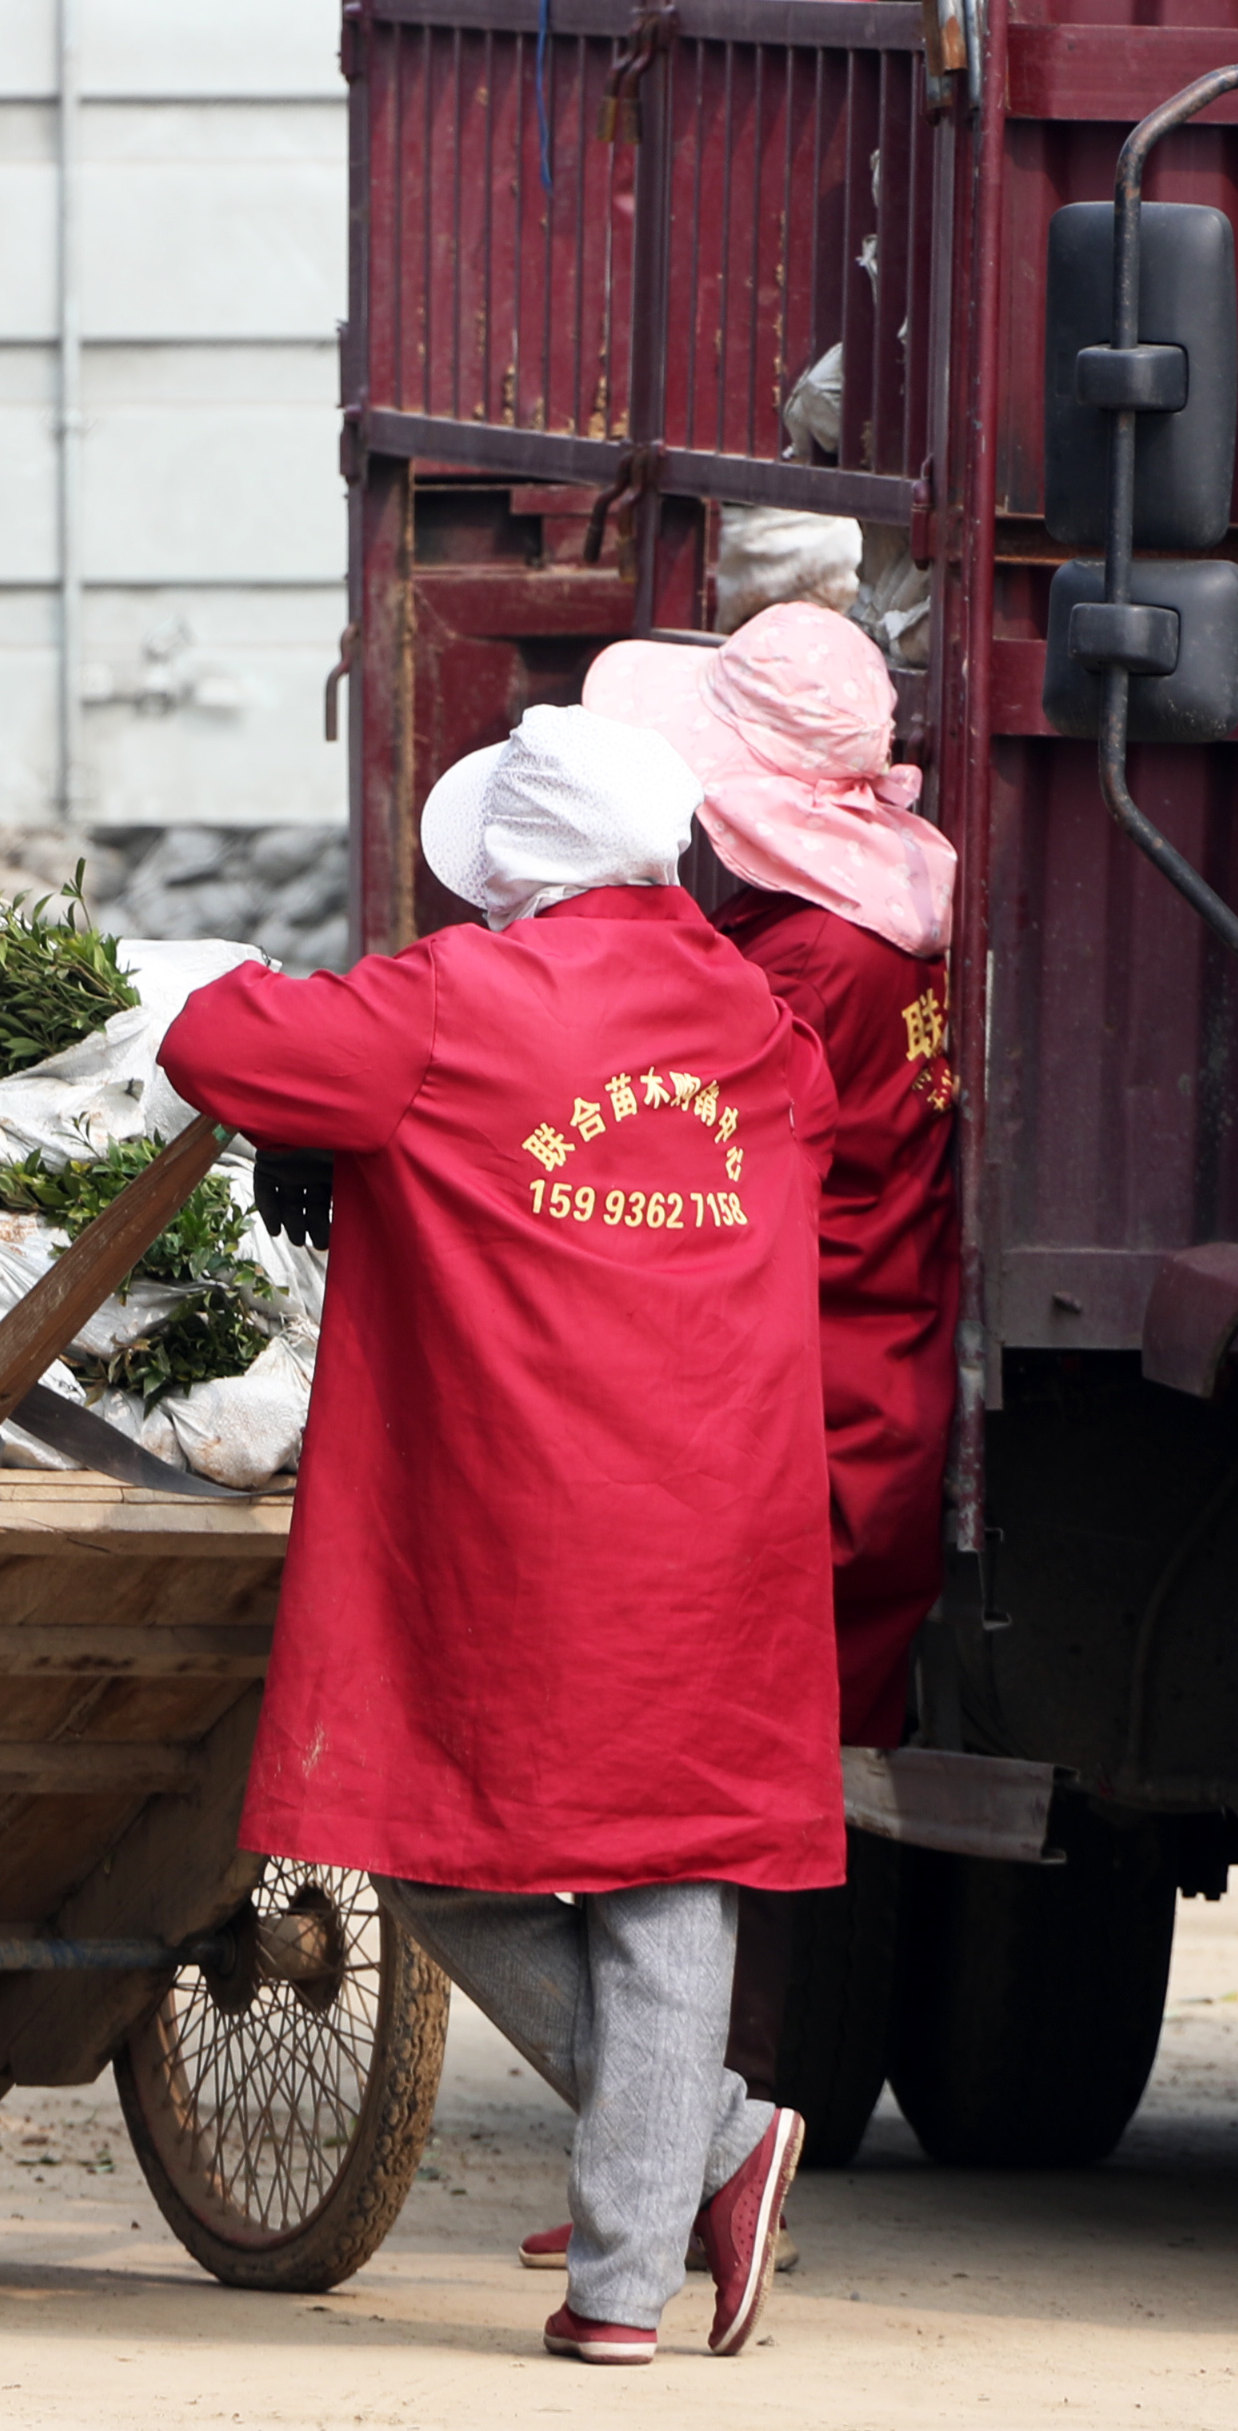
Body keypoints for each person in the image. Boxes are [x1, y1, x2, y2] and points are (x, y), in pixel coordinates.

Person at [155, 703, 843, 2365]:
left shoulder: (454, 1004)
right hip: (724, 1523)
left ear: (511, 862)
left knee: (416, 1832)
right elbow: (811, 1125)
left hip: (523, 1525)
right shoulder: (758, 1025)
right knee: (680, 1869)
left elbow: (214, 1042)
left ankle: (705, 2164)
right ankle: (658, 2232)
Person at [587, 603, 958, 1746]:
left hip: (815, 1401)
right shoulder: (883, 921)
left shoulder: (809, 956)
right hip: (877, 1363)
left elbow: (688, 1178)